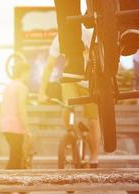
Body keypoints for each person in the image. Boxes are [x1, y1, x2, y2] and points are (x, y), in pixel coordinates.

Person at [38, 28, 101, 168]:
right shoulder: (60, 38)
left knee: (93, 119)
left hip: (90, 82)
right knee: (67, 107)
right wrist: (41, 91)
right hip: (70, 79)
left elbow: (100, 59)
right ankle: (72, 135)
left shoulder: (90, 35)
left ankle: (94, 156)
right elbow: (49, 66)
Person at [0, 62, 31, 170]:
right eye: (28, 73)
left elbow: (3, 106)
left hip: (5, 125)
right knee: (16, 156)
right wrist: (27, 129)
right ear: (23, 72)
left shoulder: (8, 86)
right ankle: (4, 181)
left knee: (16, 154)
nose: (28, 77)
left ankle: (11, 182)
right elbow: (21, 109)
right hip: (16, 126)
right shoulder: (22, 87)